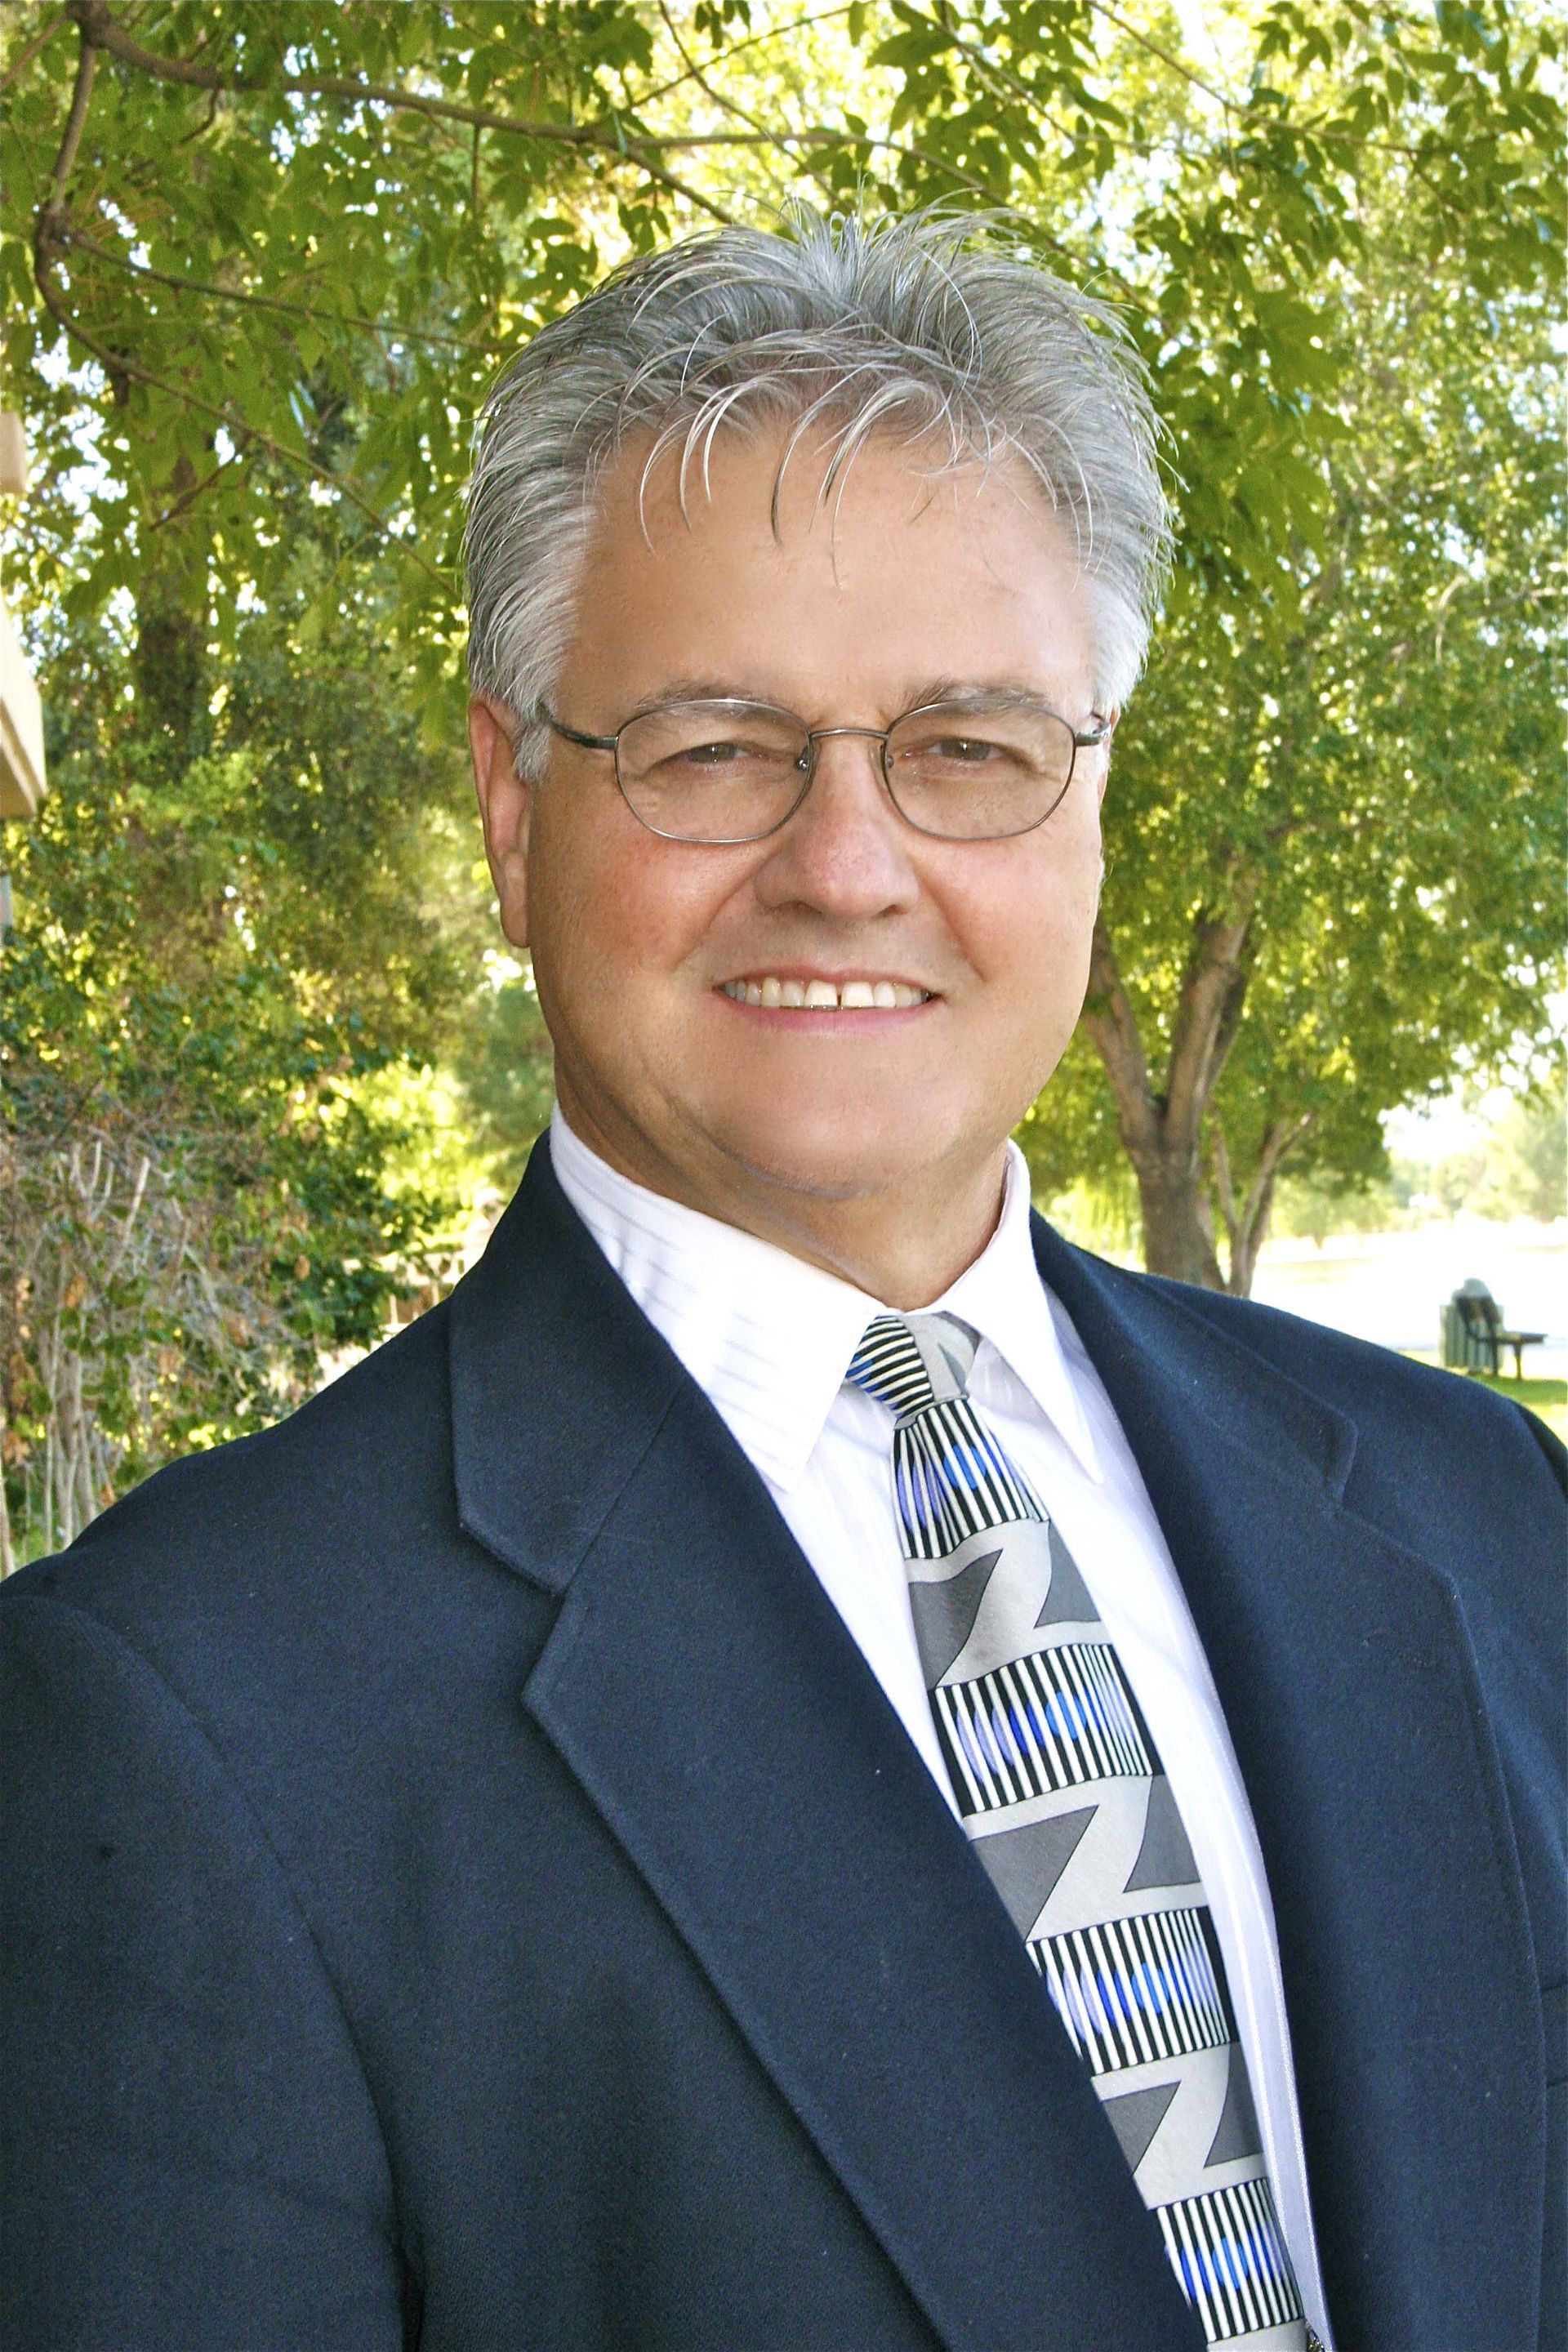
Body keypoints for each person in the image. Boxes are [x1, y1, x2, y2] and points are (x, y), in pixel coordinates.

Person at [2, 211, 1561, 2352]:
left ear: (1089, 799)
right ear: (508, 801)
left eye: (972, 748)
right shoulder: (175, 1723)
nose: (850, 860)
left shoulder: (1477, 1515)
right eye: (717, 746)